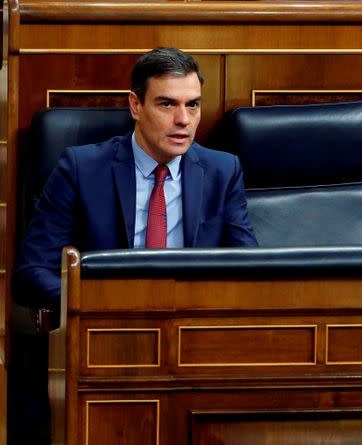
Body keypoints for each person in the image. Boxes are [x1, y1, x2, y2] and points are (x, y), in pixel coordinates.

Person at [11, 47, 259, 444]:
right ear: (135, 105)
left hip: (195, 342)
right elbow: (30, 272)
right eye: (167, 104)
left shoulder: (221, 170)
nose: (183, 120)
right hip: (109, 338)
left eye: (193, 105)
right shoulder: (81, 167)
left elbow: (249, 269)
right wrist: (108, 303)